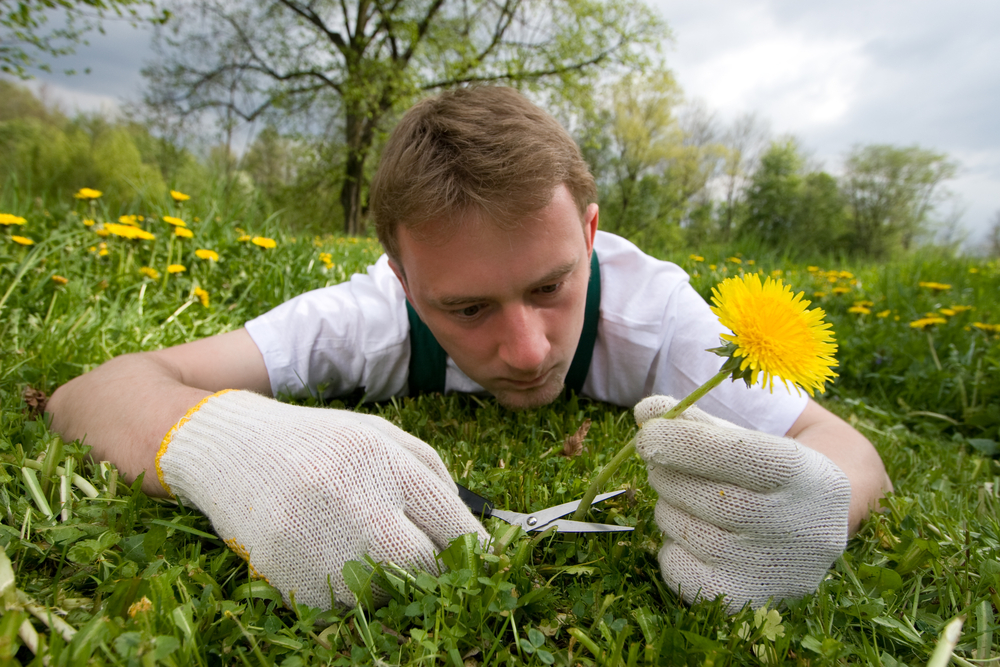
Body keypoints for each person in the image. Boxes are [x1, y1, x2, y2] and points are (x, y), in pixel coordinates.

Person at [47, 86, 892, 613]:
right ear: (400, 277)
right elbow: (96, 389)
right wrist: (231, 445)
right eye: (466, 306)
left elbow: (849, 452)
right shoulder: (361, 317)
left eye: (552, 286)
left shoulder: (662, 315)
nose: (526, 349)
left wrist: (814, 508)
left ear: (591, 232)